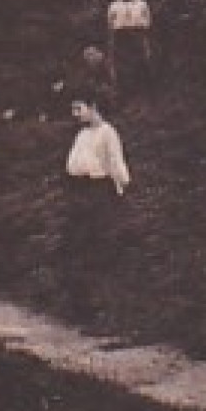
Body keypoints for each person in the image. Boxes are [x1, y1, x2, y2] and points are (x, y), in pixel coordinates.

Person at [58, 94, 131, 317]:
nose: (75, 114)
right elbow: (72, 163)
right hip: (81, 192)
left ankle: (106, 311)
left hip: (100, 192)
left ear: (93, 107)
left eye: (79, 108)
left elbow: (116, 164)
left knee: (100, 248)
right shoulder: (82, 134)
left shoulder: (108, 132)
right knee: (79, 247)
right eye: (73, 109)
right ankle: (84, 308)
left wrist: (121, 187)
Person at [106, 0, 154, 94]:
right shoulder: (114, 5)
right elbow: (110, 23)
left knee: (140, 61)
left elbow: (147, 20)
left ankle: (142, 91)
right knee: (123, 63)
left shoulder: (142, 3)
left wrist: (141, 32)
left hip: (137, 33)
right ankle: (125, 91)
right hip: (121, 35)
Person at [48, 44, 117, 119]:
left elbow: (109, 83)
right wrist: (64, 84)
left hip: (100, 95)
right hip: (87, 94)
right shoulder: (82, 69)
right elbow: (77, 81)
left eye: (92, 55)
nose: (90, 58)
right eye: (88, 56)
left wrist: (102, 88)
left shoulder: (105, 66)